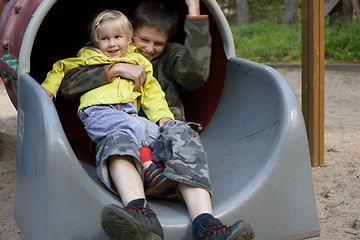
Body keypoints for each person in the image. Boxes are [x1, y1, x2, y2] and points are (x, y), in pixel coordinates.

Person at [59, 1, 255, 240]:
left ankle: (208, 226)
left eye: (158, 43)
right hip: (124, 144)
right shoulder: (100, 55)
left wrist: (195, 14)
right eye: (143, 40)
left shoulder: (168, 58)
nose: (149, 49)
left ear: (168, 43)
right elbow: (68, 85)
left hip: (166, 147)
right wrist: (114, 70)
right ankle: (139, 214)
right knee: (117, 139)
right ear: (130, 35)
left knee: (181, 133)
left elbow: (194, 73)